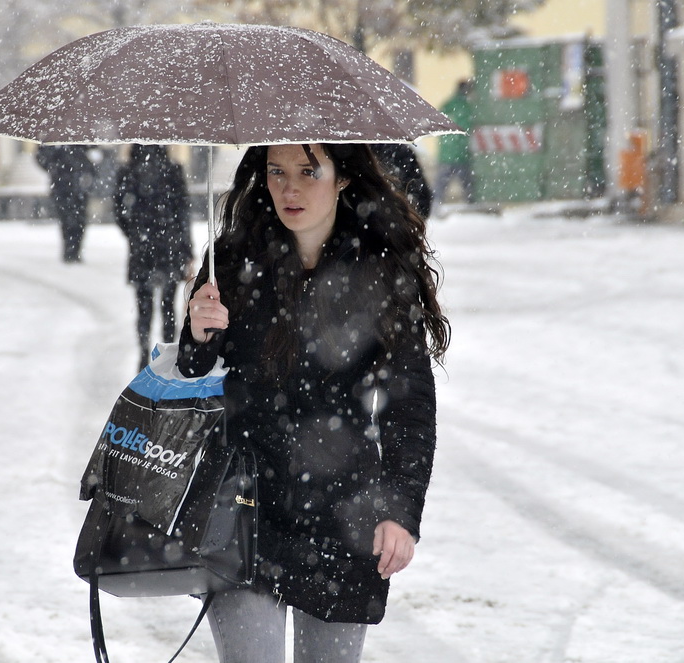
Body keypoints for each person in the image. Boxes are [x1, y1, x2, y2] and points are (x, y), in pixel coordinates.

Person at [176, 143, 449, 663]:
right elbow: (193, 376)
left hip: (345, 514)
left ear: (343, 177)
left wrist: (399, 510)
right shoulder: (232, 261)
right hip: (243, 507)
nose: (290, 188)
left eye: (308, 171)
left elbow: (410, 408)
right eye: (276, 172)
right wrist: (199, 334)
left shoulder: (380, 273)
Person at [113, 145, 193, 369]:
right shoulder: (173, 169)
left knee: (144, 307)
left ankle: (143, 354)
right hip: (169, 245)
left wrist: (133, 232)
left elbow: (119, 209)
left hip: (142, 247)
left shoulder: (129, 170)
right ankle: (167, 358)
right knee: (168, 305)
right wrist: (186, 248)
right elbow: (183, 212)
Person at [35, 145, 95, 262]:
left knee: (79, 219)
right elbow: (41, 157)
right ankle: (70, 249)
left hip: (79, 184)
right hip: (62, 185)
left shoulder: (81, 140)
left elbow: (94, 152)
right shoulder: (54, 142)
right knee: (67, 219)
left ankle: (75, 249)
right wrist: (53, 167)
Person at [436, 79, 475, 205]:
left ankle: (434, 207)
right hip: (461, 154)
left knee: (440, 188)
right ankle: (471, 206)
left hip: (445, 154)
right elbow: (469, 128)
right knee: (468, 187)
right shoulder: (468, 107)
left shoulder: (448, 104)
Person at [371, 143, 433, 218]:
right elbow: (422, 199)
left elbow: (422, 199)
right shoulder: (401, 150)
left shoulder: (361, 151)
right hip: (398, 217)